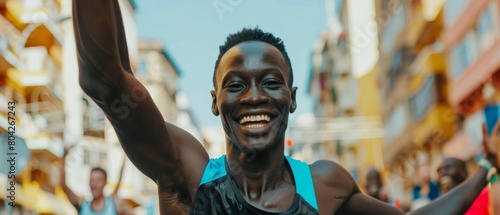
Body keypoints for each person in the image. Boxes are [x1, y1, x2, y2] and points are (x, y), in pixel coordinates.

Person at [72, 0, 500, 214]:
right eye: (235, 85)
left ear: (293, 98)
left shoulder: (326, 185)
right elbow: (106, 78)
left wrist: (487, 166)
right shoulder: (187, 174)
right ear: (215, 100)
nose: (254, 96)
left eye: (271, 83)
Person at [61, 149, 133, 215]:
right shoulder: (82, 204)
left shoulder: (114, 204)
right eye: (92, 180)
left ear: (105, 183)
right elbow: (63, 185)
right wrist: (64, 155)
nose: (94, 184)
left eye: (98, 180)